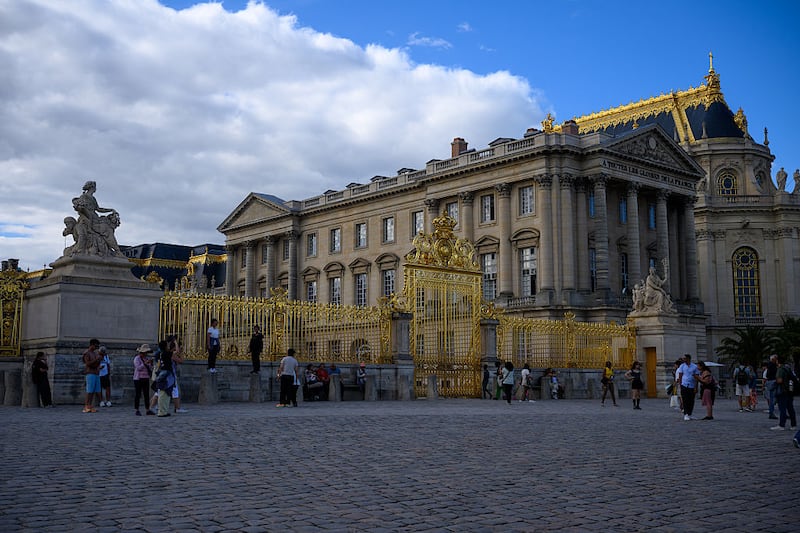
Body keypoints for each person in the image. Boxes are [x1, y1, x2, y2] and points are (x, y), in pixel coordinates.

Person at [771, 356, 797, 431]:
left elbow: (779, 380)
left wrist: (774, 383)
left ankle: (781, 425)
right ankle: (793, 424)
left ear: (777, 361)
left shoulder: (780, 369)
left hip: (782, 390)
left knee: (782, 408)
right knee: (790, 408)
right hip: (789, 390)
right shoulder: (788, 368)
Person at [676, 354, 700, 421]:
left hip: (692, 385)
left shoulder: (694, 366)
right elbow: (680, 376)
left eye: (685, 358)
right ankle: (686, 414)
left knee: (691, 400)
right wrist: (680, 385)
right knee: (685, 399)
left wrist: (696, 387)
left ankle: (690, 413)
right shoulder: (682, 366)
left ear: (688, 359)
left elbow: (696, 377)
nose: (684, 360)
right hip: (684, 384)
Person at [155, 340, 174, 417]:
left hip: (163, 373)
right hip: (166, 374)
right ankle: (162, 411)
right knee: (164, 393)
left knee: (165, 393)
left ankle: (164, 410)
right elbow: (177, 351)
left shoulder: (161, 353)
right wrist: (175, 342)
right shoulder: (166, 353)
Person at [82, 338, 102, 413]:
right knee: (89, 391)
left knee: (94, 391)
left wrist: (99, 361)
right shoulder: (87, 353)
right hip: (90, 373)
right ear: (92, 345)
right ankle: (86, 406)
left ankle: (90, 405)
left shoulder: (94, 353)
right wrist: (96, 360)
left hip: (96, 373)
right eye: (96, 346)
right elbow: (87, 363)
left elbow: (95, 364)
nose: (97, 348)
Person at [170, 336, 187, 414]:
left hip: (169, 375)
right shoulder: (171, 354)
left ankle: (153, 406)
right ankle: (177, 408)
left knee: (159, 392)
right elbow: (181, 361)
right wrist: (181, 352)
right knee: (175, 391)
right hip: (170, 375)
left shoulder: (169, 354)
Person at [765, 355, 778, 420]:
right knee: (773, 398)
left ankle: (771, 412)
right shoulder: (773, 366)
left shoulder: (769, 365)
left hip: (769, 381)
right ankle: (771, 413)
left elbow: (767, 375)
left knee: (771, 398)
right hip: (773, 381)